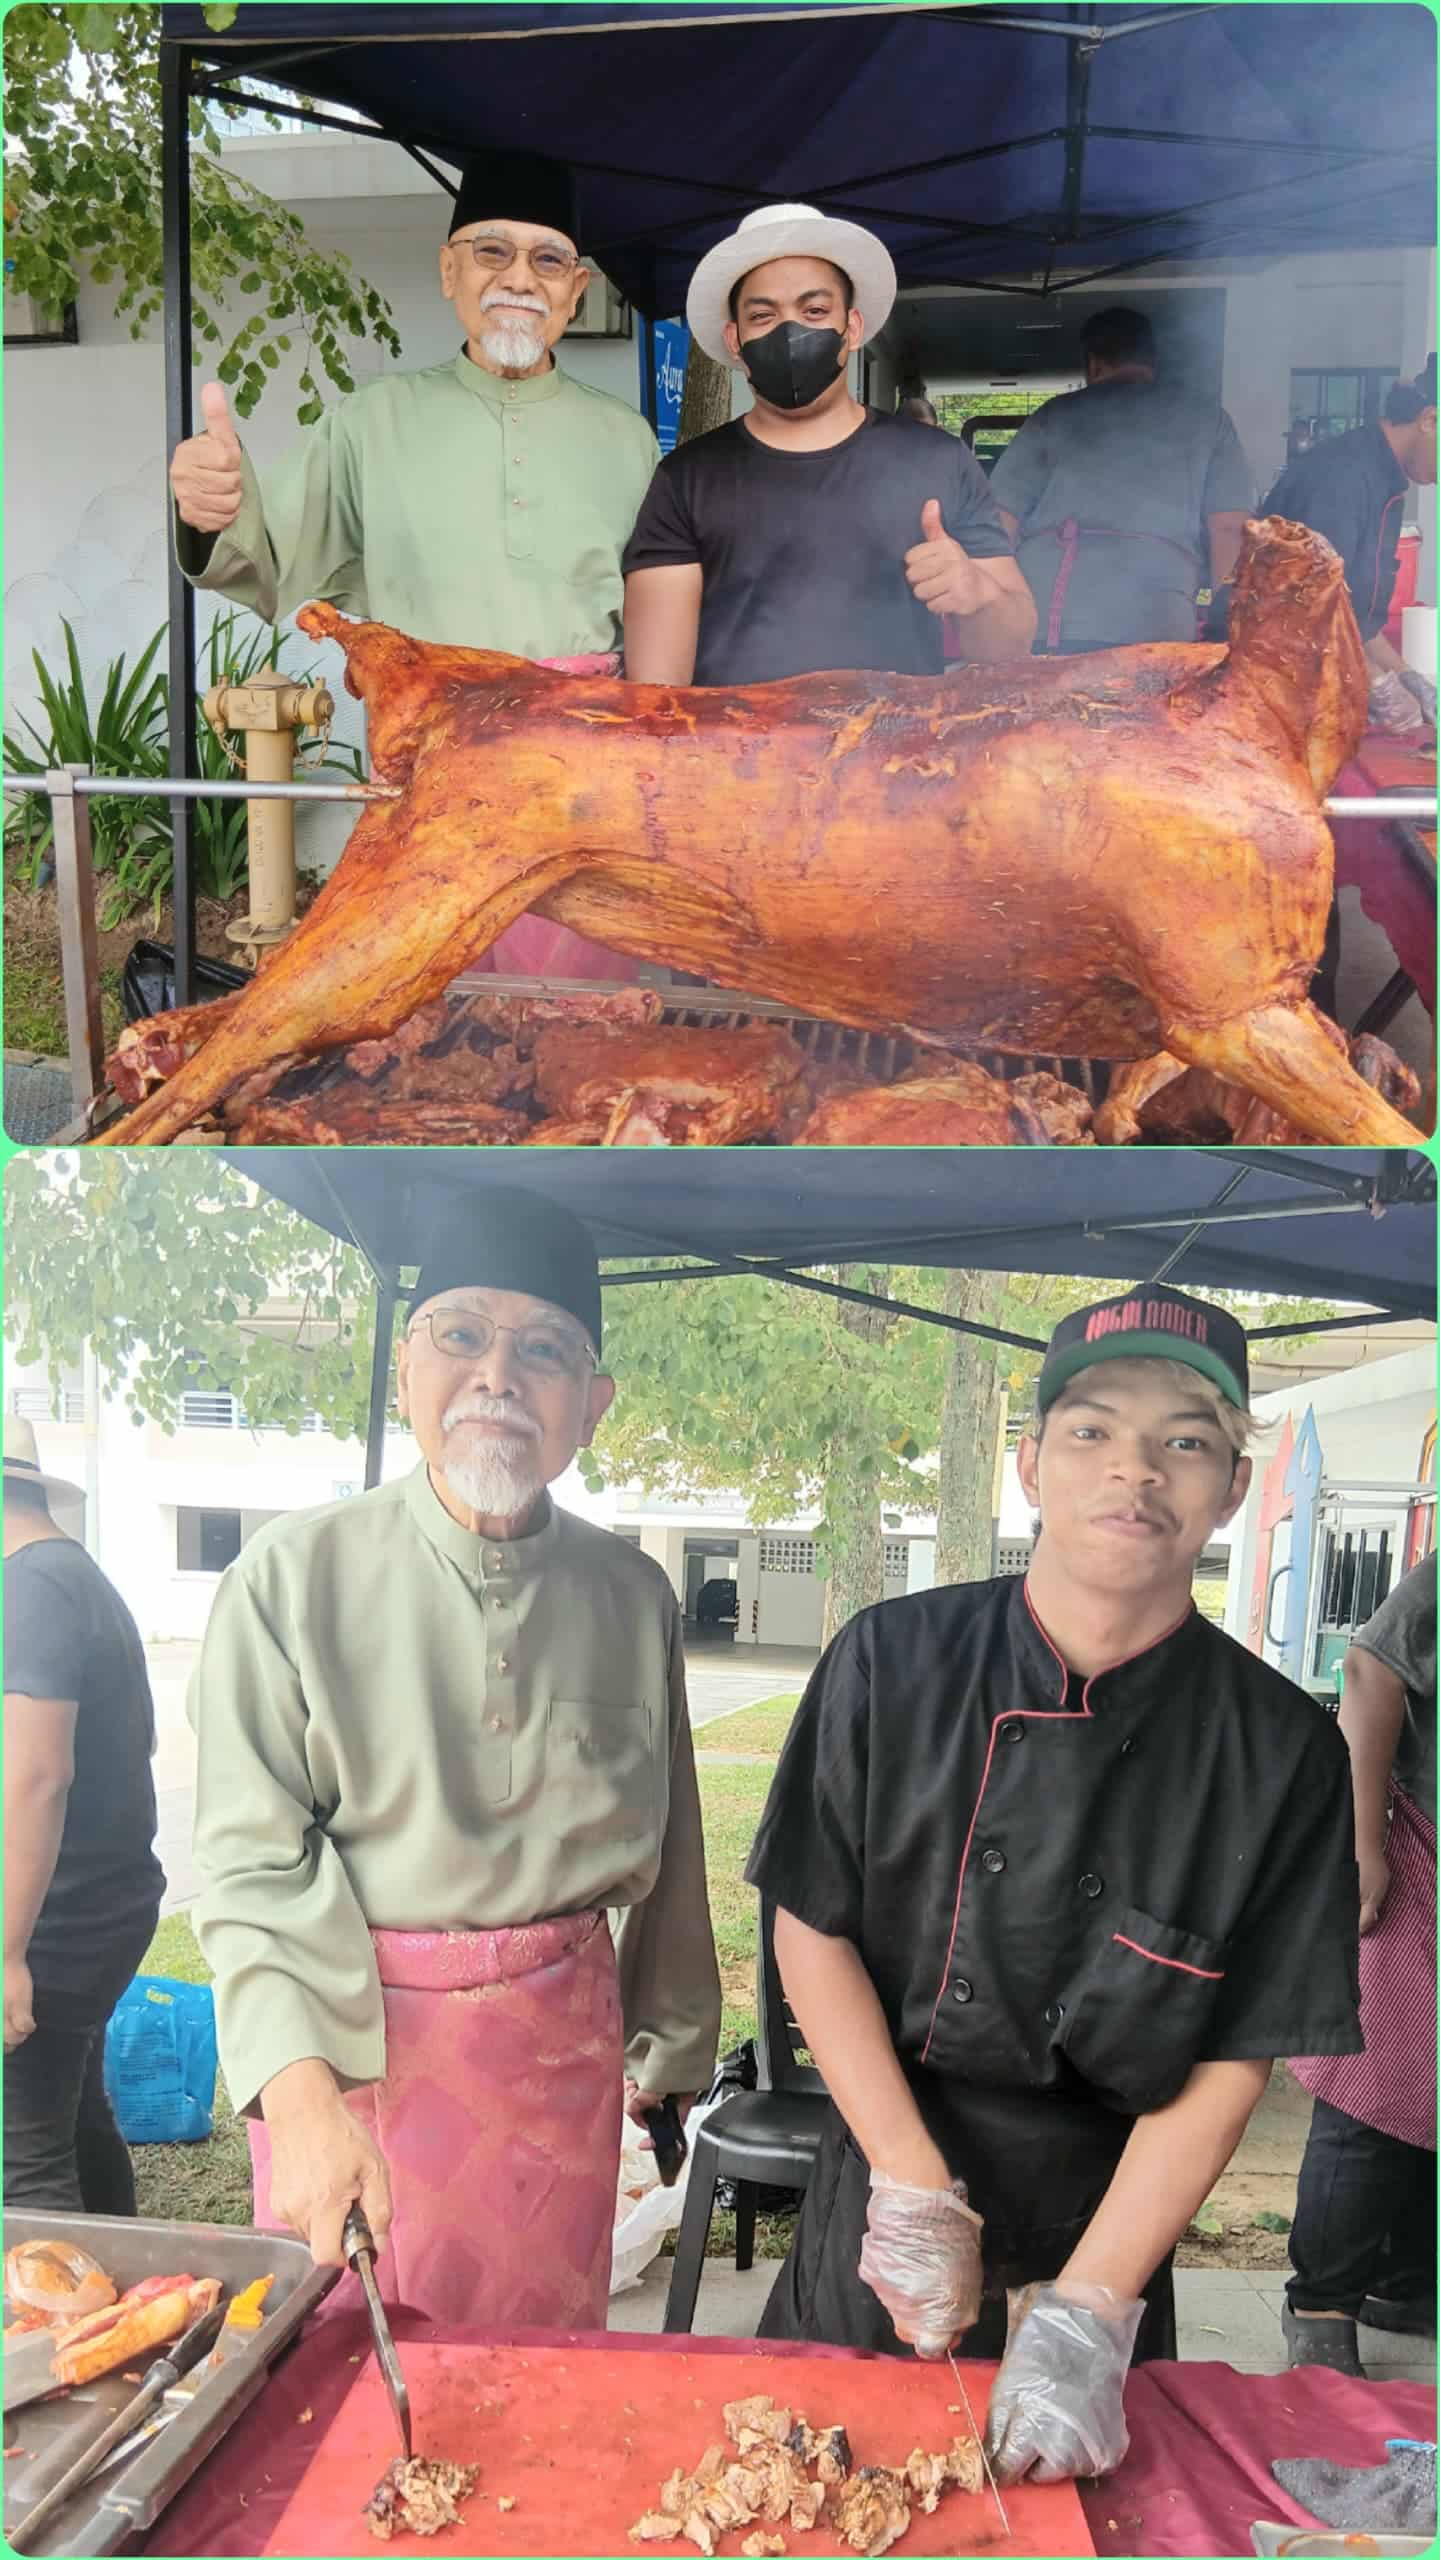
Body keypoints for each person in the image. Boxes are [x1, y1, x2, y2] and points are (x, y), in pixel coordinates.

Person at [745, 1286, 1362, 2486]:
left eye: (1185, 1440)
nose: (1135, 1470)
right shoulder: (889, 1659)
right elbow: (809, 1926)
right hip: (888, 2165)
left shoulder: (1284, 1752)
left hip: (1111, 2213)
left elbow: (1235, 2053)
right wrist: (914, 2187)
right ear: (1030, 1464)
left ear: (1233, 1484)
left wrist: (1086, 2311)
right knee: (807, 2493)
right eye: (1091, 1431)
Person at [189, 1186, 721, 2329]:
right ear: (407, 1375)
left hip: (555, 2062)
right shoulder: (290, 1579)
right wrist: (302, 2098)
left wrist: (672, 2044)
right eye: (462, 1334)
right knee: (350, 2383)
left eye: (544, 1350)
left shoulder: (633, 1596)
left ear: (593, 1405)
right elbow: (249, 1865)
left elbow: (670, 1833)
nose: (498, 1376)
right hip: (354, 2055)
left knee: (543, 2371)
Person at [169, 148, 661, 979]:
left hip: (582, 775)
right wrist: (208, 514)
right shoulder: (371, 421)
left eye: (548, 259)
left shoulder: (630, 438)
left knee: (578, 1009)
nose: (519, 278)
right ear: (449, 271)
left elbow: (654, 617)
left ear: (576, 292)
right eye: (492, 251)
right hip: (424, 764)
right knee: (428, 1001)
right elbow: (272, 549)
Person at [621, 202, 1035, 687]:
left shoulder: (940, 461)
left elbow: (1010, 650)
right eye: (762, 315)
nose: (790, 331)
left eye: (815, 310)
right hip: (739, 755)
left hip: (892, 756)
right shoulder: (685, 477)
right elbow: (657, 691)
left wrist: (977, 592)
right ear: (734, 340)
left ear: (852, 328)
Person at [3, 1420, 165, 2215]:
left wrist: (5, 1954)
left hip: (56, 1927)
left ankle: (60, 2340)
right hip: (106, 1908)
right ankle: (133, 2308)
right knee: (74, 2122)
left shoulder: (29, 1585)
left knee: (22, 2162)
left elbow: (38, 1775)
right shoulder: (76, 1575)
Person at [1284, 1550, 1435, 2376]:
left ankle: (1411, 2284)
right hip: (1422, 1856)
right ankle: (1322, 2304)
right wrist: (1361, 1839)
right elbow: (1373, 1668)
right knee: (1374, 2092)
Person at [987, 307, 1254, 652]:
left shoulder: (1054, 415)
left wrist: (993, 609)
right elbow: (1230, 528)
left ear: (1094, 362)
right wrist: (1229, 627)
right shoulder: (1210, 421)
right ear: (1152, 360)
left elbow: (998, 520)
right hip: (1159, 624)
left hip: (1051, 619)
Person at [1262, 356, 1438, 737]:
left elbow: (1353, 614)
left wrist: (1404, 675)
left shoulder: (1388, 480)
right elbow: (1311, 609)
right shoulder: (1341, 477)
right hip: (1274, 695)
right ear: (1430, 420)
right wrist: (1377, 684)